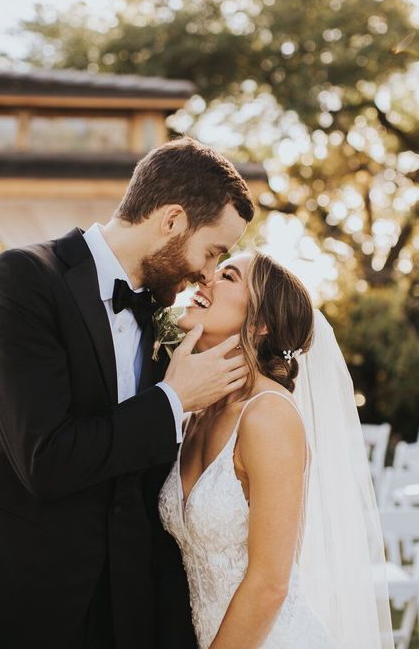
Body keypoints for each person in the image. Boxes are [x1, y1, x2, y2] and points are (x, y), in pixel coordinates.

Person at [0, 137, 254, 649]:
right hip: (8, 599)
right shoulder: (22, 280)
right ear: (172, 220)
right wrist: (174, 401)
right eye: (213, 250)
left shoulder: (164, 320)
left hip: (115, 613)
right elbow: (46, 459)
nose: (207, 273)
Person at [159, 252, 394, 649]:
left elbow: (269, 585)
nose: (205, 279)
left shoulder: (268, 416)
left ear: (261, 323)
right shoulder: (195, 412)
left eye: (227, 276)